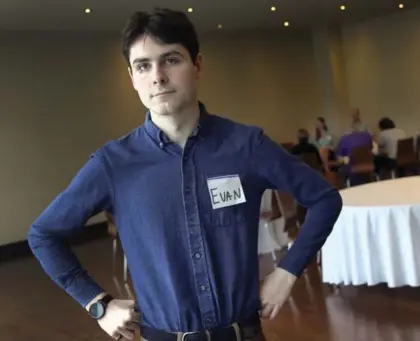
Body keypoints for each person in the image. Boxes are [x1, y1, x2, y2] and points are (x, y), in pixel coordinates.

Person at [27, 8, 342, 341]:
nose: (158, 77)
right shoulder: (113, 164)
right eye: (143, 66)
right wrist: (97, 304)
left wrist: (287, 271)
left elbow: (324, 199)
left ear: (198, 66)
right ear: (133, 79)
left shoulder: (246, 146)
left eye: (171, 60)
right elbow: (44, 235)